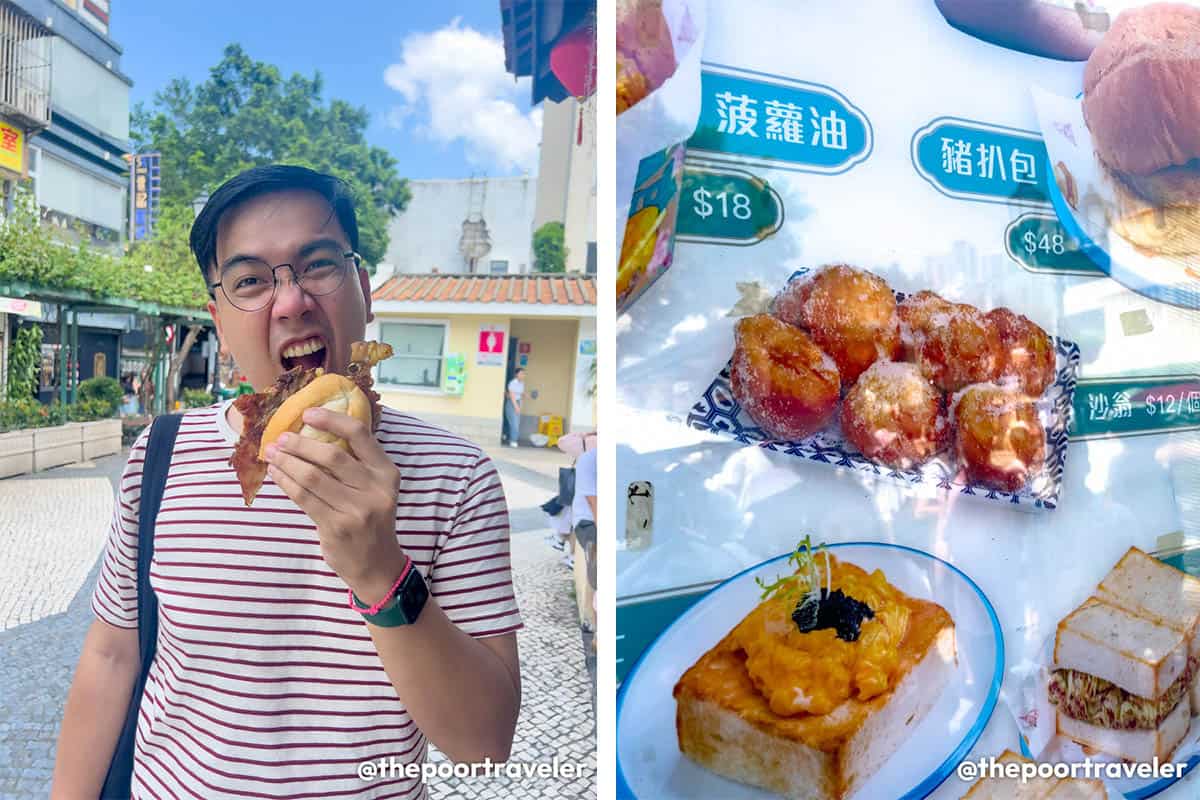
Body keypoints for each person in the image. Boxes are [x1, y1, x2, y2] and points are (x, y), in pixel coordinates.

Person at [51, 166, 522, 799]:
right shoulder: (159, 457)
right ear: (218, 319)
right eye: (249, 281)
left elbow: (484, 746)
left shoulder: (454, 476)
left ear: (363, 287)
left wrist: (381, 572)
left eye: (319, 266)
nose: (292, 301)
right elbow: (111, 660)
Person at [504, 367, 526, 448]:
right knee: (514, 423)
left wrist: (524, 395)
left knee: (516, 422)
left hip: (518, 402)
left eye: (524, 374)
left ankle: (511, 439)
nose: (523, 375)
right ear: (516, 374)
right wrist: (516, 407)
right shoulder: (513, 383)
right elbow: (512, 395)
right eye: (521, 373)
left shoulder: (522, 383)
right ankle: (513, 440)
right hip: (512, 404)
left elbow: (520, 393)